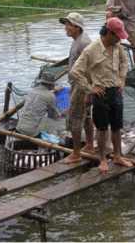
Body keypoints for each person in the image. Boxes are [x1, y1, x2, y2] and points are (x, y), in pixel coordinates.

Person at [70, 17, 133, 171]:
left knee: (117, 126)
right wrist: (90, 89)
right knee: (102, 128)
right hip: (101, 93)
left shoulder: (117, 46)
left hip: (116, 91)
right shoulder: (91, 50)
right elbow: (76, 72)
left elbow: (124, 63)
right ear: (109, 34)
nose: (119, 39)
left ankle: (118, 156)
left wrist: (122, 79)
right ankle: (103, 159)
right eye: (117, 35)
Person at [58, 12, 95, 164]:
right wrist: (72, 86)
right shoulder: (76, 40)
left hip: (83, 85)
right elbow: (75, 66)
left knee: (73, 118)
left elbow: (90, 68)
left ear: (77, 27)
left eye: (68, 25)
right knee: (86, 116)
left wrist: (87, 91)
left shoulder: (84, 42)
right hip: (78, 85)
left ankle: (76, 153)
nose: (66, 27)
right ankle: (90, 146)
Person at [16, 72, 62, 138]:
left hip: (19, 128)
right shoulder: (51, 96)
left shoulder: (32, 91)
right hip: (32, 132)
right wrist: (62, 113)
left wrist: (55, 90)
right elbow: (55, 116)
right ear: (50, 85)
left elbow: (43, 95)